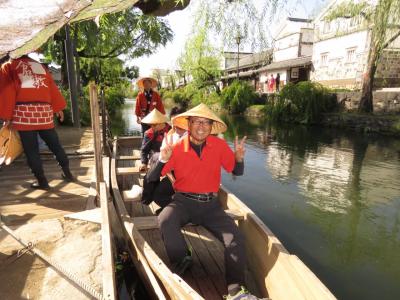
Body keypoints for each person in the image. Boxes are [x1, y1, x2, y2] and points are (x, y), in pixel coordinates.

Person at [148, 103, 258, 300]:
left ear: (211, 126)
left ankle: (236, 290)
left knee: (236, 239)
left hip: (211, 205)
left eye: (206, 122)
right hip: (183, 201)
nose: (201, 126)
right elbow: (153, 177)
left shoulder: (219, 146)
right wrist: (163, 160)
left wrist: (239, 158)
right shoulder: (176, 148)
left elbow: (236, 171)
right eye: (197, 121)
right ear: (189, 124)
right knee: (165, 219)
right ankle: (182, 256)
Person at [0, 55, 74, 190]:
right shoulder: (39, 66)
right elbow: (51, 88)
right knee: (55, 145)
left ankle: (42, 181)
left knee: (31, 150)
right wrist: (58, 108)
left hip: (24, 115)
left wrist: (7, 116)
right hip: (44, 113)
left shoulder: (9, 67)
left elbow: (7, 92)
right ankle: (68, 173)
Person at [141, 106, 187, 214]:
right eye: (174, 123)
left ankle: (179, 208)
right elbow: (145, 151)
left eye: (180, 122)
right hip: (167, 166)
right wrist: (172, 179)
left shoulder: (194, 137)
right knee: (151, 182)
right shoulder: (169, 135)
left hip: (190, 174)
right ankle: (174, 208)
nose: (176, 126)